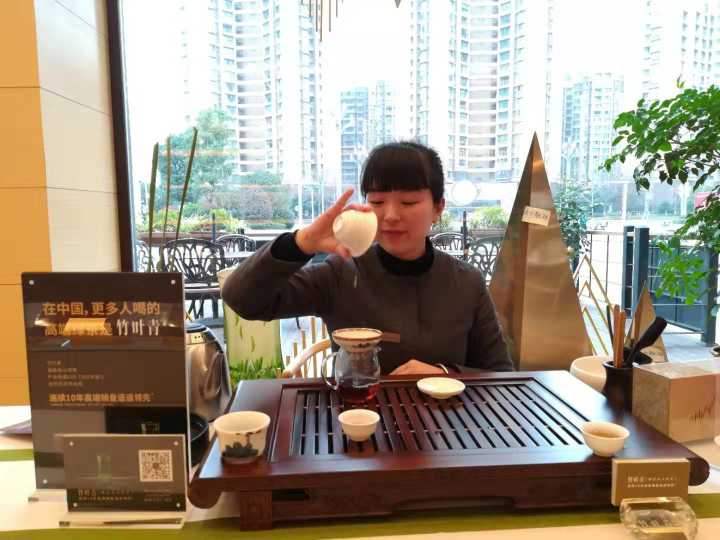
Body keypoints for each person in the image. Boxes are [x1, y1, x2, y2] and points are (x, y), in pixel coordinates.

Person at [222, 141, 513, 375]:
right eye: (377, 201)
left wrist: (445, 374)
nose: (391, 215)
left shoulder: (466, 282)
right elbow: (242, 299)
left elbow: (500, 373)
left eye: (408, 201)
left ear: (438, 208)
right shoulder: (341, 272)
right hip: (359, 422)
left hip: (447, 425)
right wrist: (301, 243)